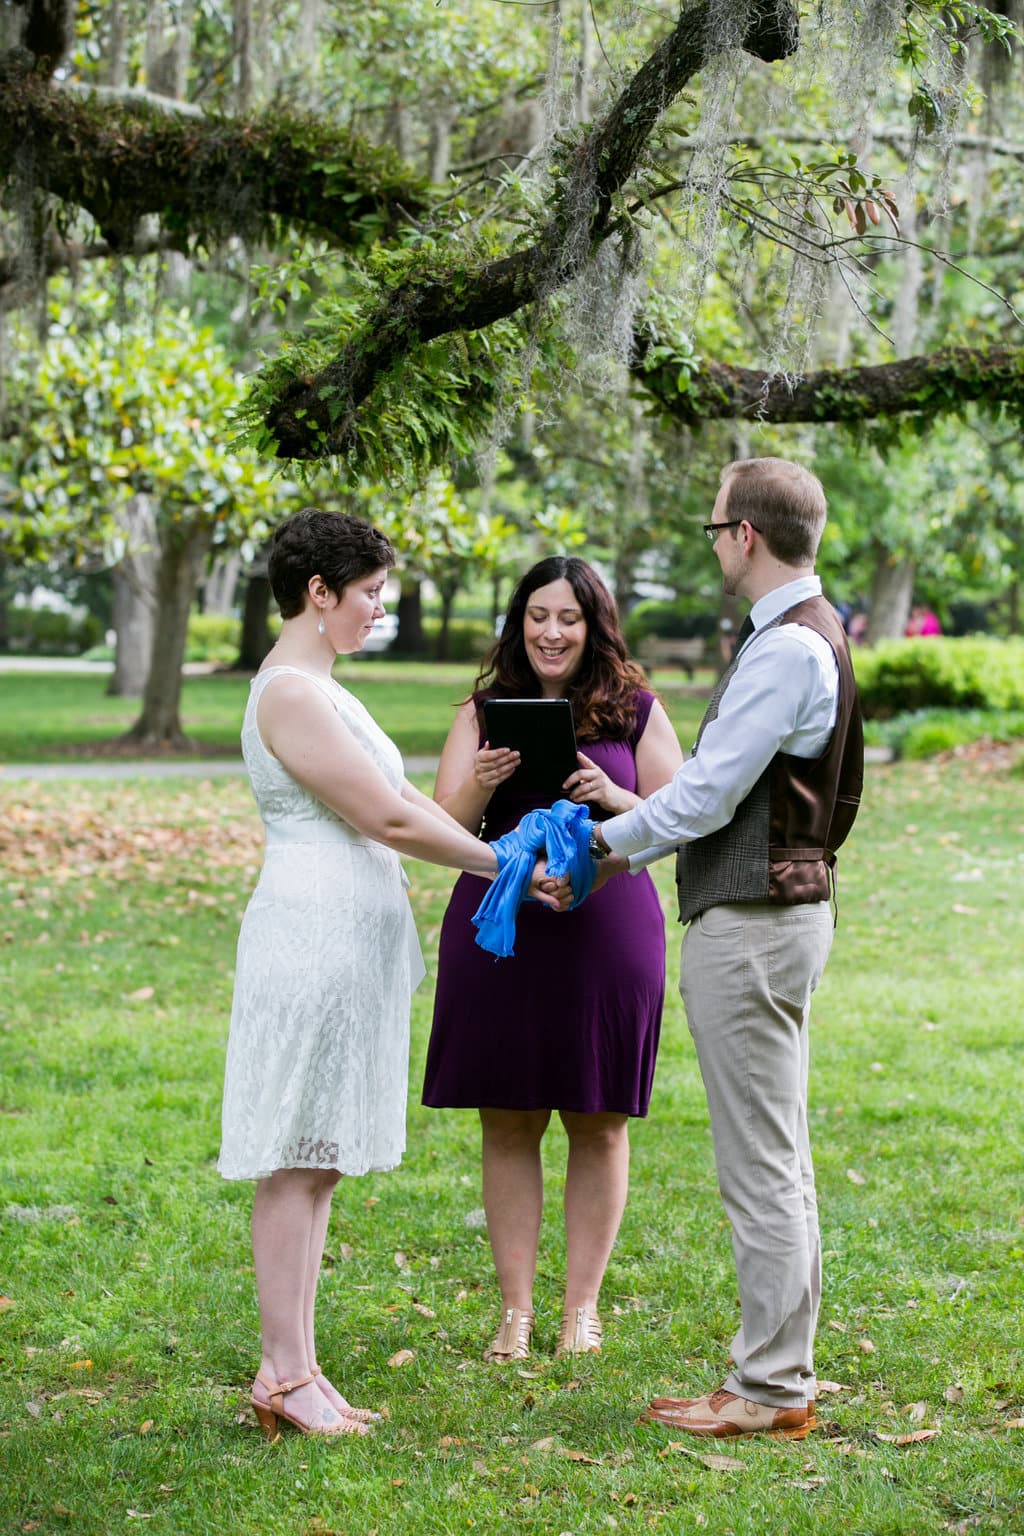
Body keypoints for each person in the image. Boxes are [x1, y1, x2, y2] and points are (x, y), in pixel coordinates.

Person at [218, 508, 567, 1442]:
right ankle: (284, 1374)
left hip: (348, 935)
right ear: (318, 593)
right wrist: (510, 872)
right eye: (368, 594)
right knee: (297, 1155)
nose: (380, 608)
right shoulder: (291, 692)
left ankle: (293, 1368)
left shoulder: (328, 687)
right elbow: (390, 820)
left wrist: (499, 847)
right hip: (314, 930)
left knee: (319, 1158)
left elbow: (413, 798)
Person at [589, 458, 863, 1441]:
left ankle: (767, 1386)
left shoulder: (787, 648)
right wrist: (632, 819)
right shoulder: (805, 634)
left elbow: (705, 797)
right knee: (773, 1158)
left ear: (744, 535)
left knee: (760, 1166)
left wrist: (596, 850)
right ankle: (777, 1377)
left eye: (714, 529)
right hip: (772, 912)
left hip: (752, 923)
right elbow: (719, 789)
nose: (713, 544)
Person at [422, 556, 683, 1362]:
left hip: (605, 932)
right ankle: (516, 1313)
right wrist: (481, 780)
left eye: (568, 617)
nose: (551, 632)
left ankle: (582, 1312)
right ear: (518, 622)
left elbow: (679, 820)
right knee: (507, 1119)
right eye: (537, 615)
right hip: (503, 929)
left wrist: (615, 799)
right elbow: (443, 825)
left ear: (594, 625)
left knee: (599, 1123)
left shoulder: (637, 709)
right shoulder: (482, 708)